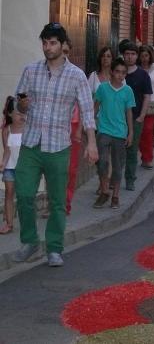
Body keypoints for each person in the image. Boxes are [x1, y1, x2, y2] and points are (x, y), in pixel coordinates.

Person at [13, 22, 98, 267]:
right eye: (44, 43)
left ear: (63, 45)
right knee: (25, 193)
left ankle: (54, 248)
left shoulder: (77, 76)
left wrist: (91, 143)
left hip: (59, 147)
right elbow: (19, 102)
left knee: (57, 201)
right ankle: (29, 242)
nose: (47, 47)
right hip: (31, 144)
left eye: (52, 43)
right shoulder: (31, 71)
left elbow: (87, 111)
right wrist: (23, 106)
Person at [93, 58, 135, 209]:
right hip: (104, 130)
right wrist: (90, 127)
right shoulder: (103, 88)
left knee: (117, 166)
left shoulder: (128, 91)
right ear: (112, 72)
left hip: (120, 132)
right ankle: (104, 191)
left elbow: (129, 113)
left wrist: (130, 133)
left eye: (123, 73)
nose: (120, 75)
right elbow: (95, 108)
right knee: (102, 162)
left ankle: (115, 196)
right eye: (117, 71)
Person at [122, 41, 152, 191]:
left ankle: (130, 179)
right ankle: (109, 180)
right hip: (117, 118)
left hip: (136, 118)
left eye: (133, 54)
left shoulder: (142, 74)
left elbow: (147, 96)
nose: (129, 57)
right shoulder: (118, 72)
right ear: (123, 55)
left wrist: (141, 116)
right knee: (115, 151)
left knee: (132, 150)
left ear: (137, 56)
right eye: (127, 54)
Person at [60, 40, 83, 216]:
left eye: (67, 52)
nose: (64, 55)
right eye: (62, 51)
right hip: (54, 128)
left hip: (73, 125)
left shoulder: (76, 75)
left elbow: (83, 105)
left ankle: (65, 203)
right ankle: (56, 202)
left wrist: (78, 130)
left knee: (71, 168)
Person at [0, 96, 25, 234]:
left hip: (25, 169)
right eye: (18, 113)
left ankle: (26, 222)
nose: (22, 116)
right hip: (10, 167)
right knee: (9, 193)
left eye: (23, 112)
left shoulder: (28, 129)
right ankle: (9, 224)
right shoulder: (6, 131)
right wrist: (3, 164)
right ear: (10, 114)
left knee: (24, 195)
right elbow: (7, 151)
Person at [138, 45, 154, 169]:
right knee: (141, 132)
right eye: (142, 56)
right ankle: (144, 156)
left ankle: (148, 158)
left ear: (150, 56)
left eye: (146, 56)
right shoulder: (135, 69)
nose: (144, 58)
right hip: (139, 104)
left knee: (148, 130)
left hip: (153, 104)